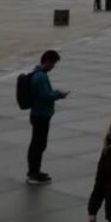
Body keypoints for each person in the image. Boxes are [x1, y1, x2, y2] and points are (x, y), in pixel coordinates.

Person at [26, 49, 70, 184]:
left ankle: (35, 171)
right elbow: (44, 96)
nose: (53, 67)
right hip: (41, 115)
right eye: (53, 64)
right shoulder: (40, 77)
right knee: (38, 144)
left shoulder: (38, 74)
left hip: (39, 114)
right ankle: (33, 173)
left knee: (38, 144)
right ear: (47, 61)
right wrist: (58, 94)